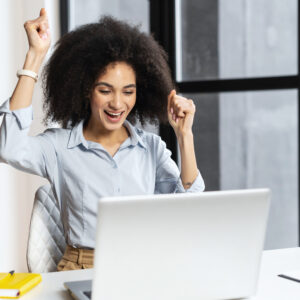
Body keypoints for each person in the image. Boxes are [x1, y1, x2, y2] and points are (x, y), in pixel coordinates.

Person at [0, 8, 205, 271]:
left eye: (128, 92)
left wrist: (184, 136)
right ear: (86, 89)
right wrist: (35, 56)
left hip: (142, 265)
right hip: (83, 268)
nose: (117, 103)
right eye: (105, 90)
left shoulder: (151, 148)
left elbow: (190, 207)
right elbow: (9, 147)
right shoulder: (60, 147)